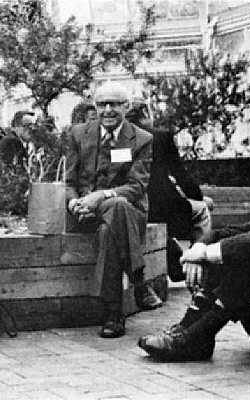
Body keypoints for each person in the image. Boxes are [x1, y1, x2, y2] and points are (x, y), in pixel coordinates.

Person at [138, 158, 250, 361]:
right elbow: (235, 232)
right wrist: (200, 246)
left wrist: (207, 254)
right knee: (235, 257)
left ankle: (195, 336)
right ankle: (191, 332)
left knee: (245, 265)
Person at [65, 81, 162, 339]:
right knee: (113, 213)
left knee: (111, 225)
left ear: (127, 107)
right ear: (94, 107)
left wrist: (101, 196)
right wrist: (75, 203)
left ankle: (113, 314)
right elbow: (70, 183)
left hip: (127, 208)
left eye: (115, 104)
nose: (108, 110)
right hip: (85, 211)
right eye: (101, 104)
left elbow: (136, 187)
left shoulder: (141, 139)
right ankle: (139, 280)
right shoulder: (78, 134)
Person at [125, 95, 213, 281]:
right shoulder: (160, 136)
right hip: (161, 206)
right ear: (146, 112)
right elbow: (180, 174)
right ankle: (197, 264)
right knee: (202, 211)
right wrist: (199, 197)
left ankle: (175, 261)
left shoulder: (119, 138)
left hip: (131, 204)